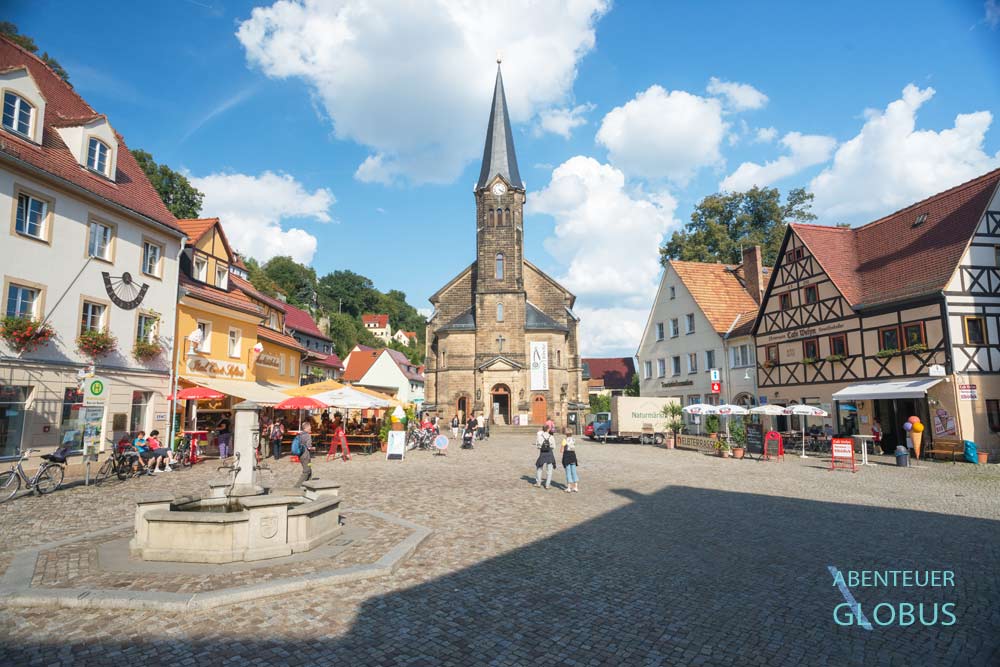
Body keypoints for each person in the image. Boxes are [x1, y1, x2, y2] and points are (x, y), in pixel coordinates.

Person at [295, 422, 314, 486]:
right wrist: (313, 448)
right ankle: (297, 486)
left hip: (301, 455)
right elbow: (309, 447)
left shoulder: (300, 434)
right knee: (306, 471)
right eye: (309, 426)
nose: (311, 427)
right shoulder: (308, 435)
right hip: (306, 456)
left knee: (309, 469)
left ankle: (309, 484)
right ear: (306, 428)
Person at [561, 428, 579, 493]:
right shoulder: (574, 439)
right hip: (573, 455)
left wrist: (562, 449)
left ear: (566, 434)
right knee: (574, 471)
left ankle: (569, 487)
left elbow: (562, 450)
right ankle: (576, 487)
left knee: (568, 472)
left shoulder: (564, 440)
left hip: (567, 456)